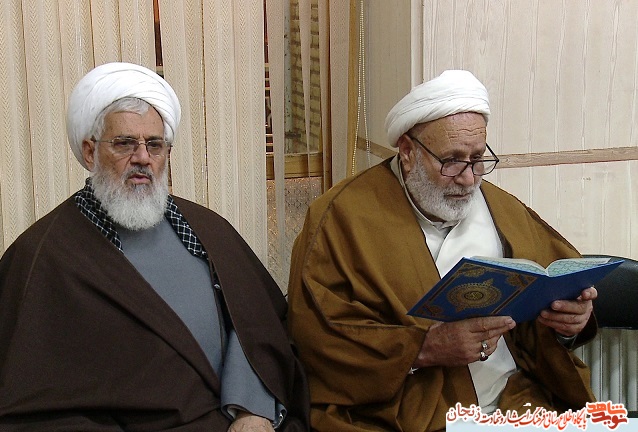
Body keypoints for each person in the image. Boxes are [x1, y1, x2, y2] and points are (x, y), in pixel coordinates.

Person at [0, 62, 309, 432]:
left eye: (155, 144)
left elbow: (257, 326)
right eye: (124, 143)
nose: (143, 158)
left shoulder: (208, 230)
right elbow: (33, 408)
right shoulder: (44, 256)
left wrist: (252, 409)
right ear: (89, 152)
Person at [287, 70, 597, 431]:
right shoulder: (340, 218)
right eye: (451, 160)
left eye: (478, 158)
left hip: (514, 401)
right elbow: (317, 339)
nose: (468, 178)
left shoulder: (503, 210)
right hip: (405, 415)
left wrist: (568, 323)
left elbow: (546, 299)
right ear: (408, 152)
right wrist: (424, 348)